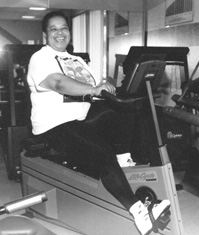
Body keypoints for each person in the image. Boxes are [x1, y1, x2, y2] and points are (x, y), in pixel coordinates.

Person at [27, 11, 171, 235]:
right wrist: (94, 89)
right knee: (102, 152)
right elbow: (59, 83)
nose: (59, 33)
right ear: (45, 34)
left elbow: (98, 86)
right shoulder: (40, 58)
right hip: (54, 126)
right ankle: (138, 212)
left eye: (64, 28)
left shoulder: (76, 60)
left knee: (128, 104)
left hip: (81, 120)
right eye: (53, 29)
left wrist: (109, 85)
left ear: (69, 33)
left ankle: (124, 161)